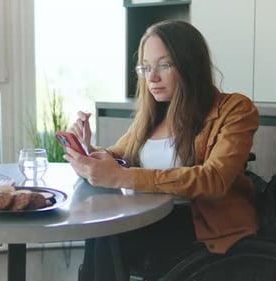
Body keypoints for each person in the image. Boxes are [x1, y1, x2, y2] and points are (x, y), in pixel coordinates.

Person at [63, 20, 260, 280]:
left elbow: (214, 179)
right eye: (146, 67)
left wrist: (122, 176)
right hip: (150, 218)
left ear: (190, 64)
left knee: (107, 235)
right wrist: (87, 150)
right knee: (102, 229)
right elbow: (118, 155)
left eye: (164, 65)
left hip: (200, 227)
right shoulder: (153, 113)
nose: (152, 77)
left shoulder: (234, 110)